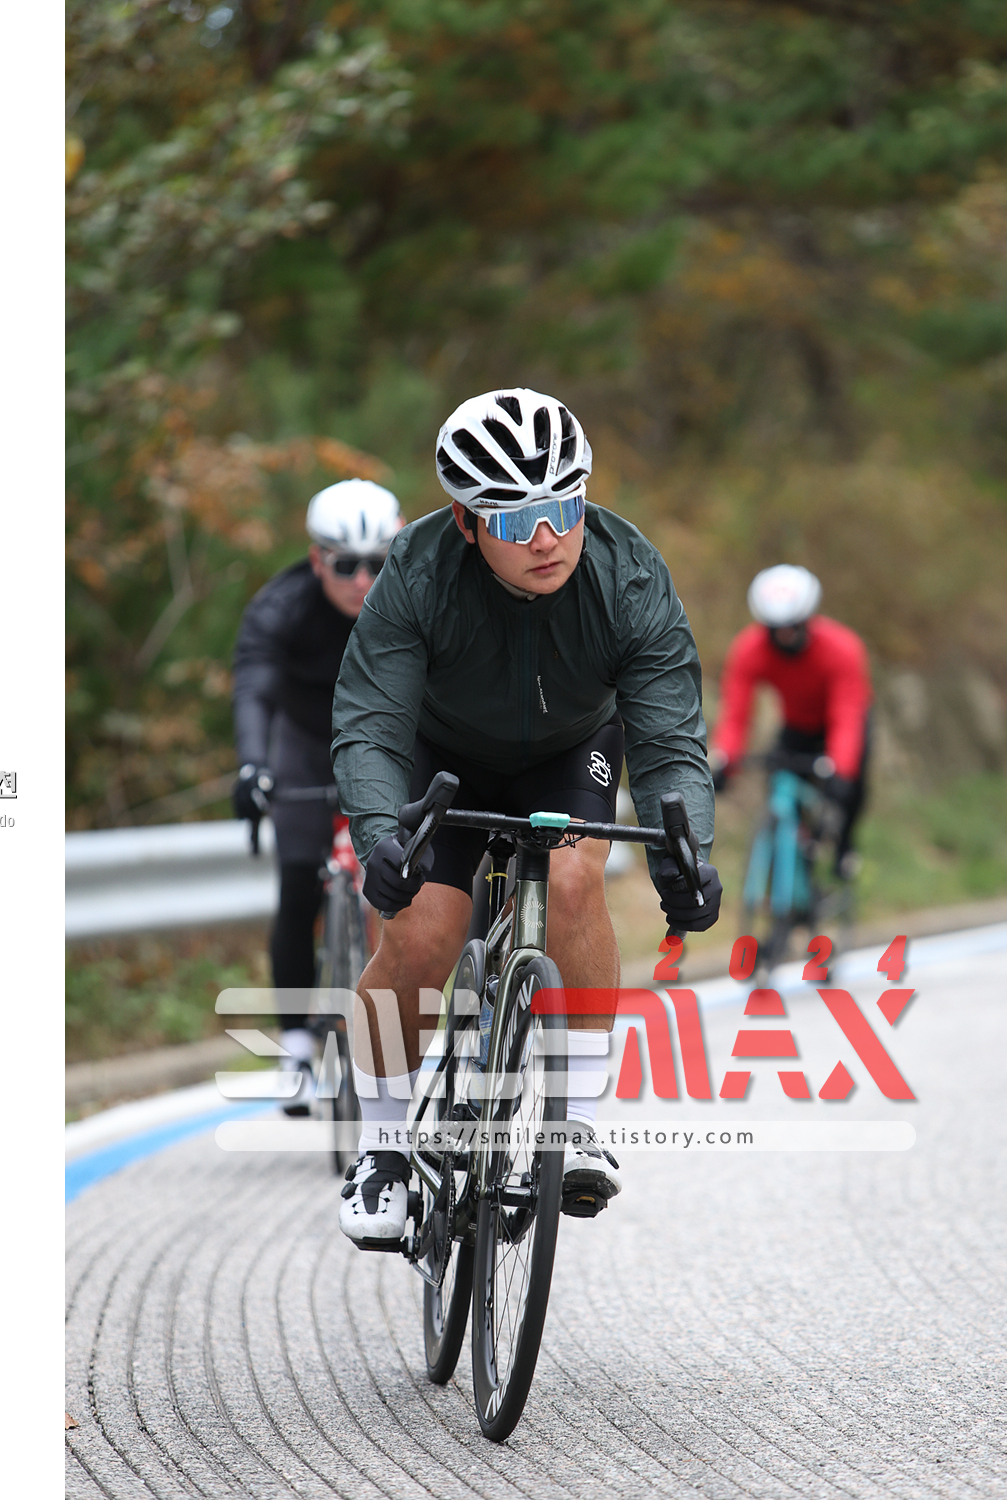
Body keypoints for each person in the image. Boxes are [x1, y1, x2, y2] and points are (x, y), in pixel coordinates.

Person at [329, 387, 722, 1248]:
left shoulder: (627, 573)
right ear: (467, 524)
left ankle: (574, 1122)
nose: (547, 538)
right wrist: (381, 836)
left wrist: (685, 854)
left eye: (563, 508)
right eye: (515, 520)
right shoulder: (418, 573)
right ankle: (384, 1144)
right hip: (440, 758)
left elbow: (668, 733)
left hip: (568, 750)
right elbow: (372, 723)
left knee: (575, 879)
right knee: (422, 933)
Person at [231, 478, 403, 1113]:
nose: (363, 581)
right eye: (345, 565)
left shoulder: (417, 599)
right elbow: (254, 688)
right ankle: (299, 1046)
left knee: (415, 878)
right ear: (315, 560)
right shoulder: (281, 607)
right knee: (298, 882)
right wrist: (253, 765)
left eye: (378, 564)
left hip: (388, 736)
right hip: (306, 742)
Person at [708, 564, 872, 873]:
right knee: (779, 784)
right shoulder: (749, 649)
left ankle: (845, 849)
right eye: (775, 629)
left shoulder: (842, 649)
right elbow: (736, 714)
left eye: (793, 627)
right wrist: (726, 759)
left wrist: (841, 769)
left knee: (851, 787)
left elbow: (847, 717)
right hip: (798, 725)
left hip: (842, 723)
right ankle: (793, 857)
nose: (784, 635)